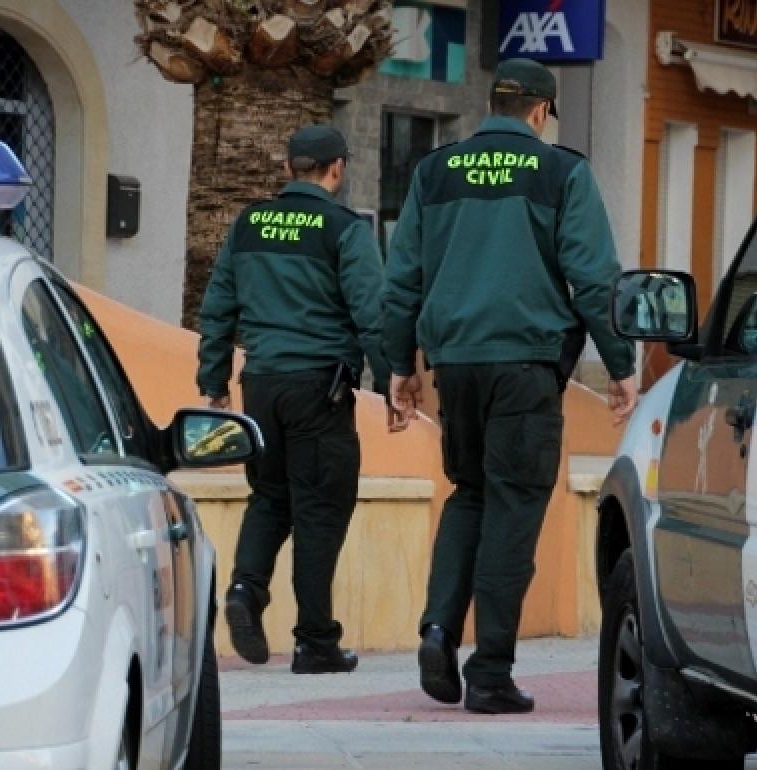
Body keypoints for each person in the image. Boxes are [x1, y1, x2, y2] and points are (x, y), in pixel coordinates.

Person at [383, 58, 639, 714]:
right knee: (515, 507)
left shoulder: (434, 171)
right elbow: (593, 277)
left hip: (456, 365)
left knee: (469, 494)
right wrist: (620, 365)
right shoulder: (562, 172)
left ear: (492, 104)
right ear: (540, 112)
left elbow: (402, 278)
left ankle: (438, 629)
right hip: (526, 365)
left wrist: (398, 368)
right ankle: (490, 672)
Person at [196, 124, 403, 675]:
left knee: (270, 496)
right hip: (319, 388)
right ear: (337, 169)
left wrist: (213, 380)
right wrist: (393, 383)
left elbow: (218, 307)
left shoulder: (248, 225)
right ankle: (315, 641)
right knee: (321, 509)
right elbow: (371, 314)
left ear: (288, 169)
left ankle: (245, 589)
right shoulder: (342, 229)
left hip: (260, 383)